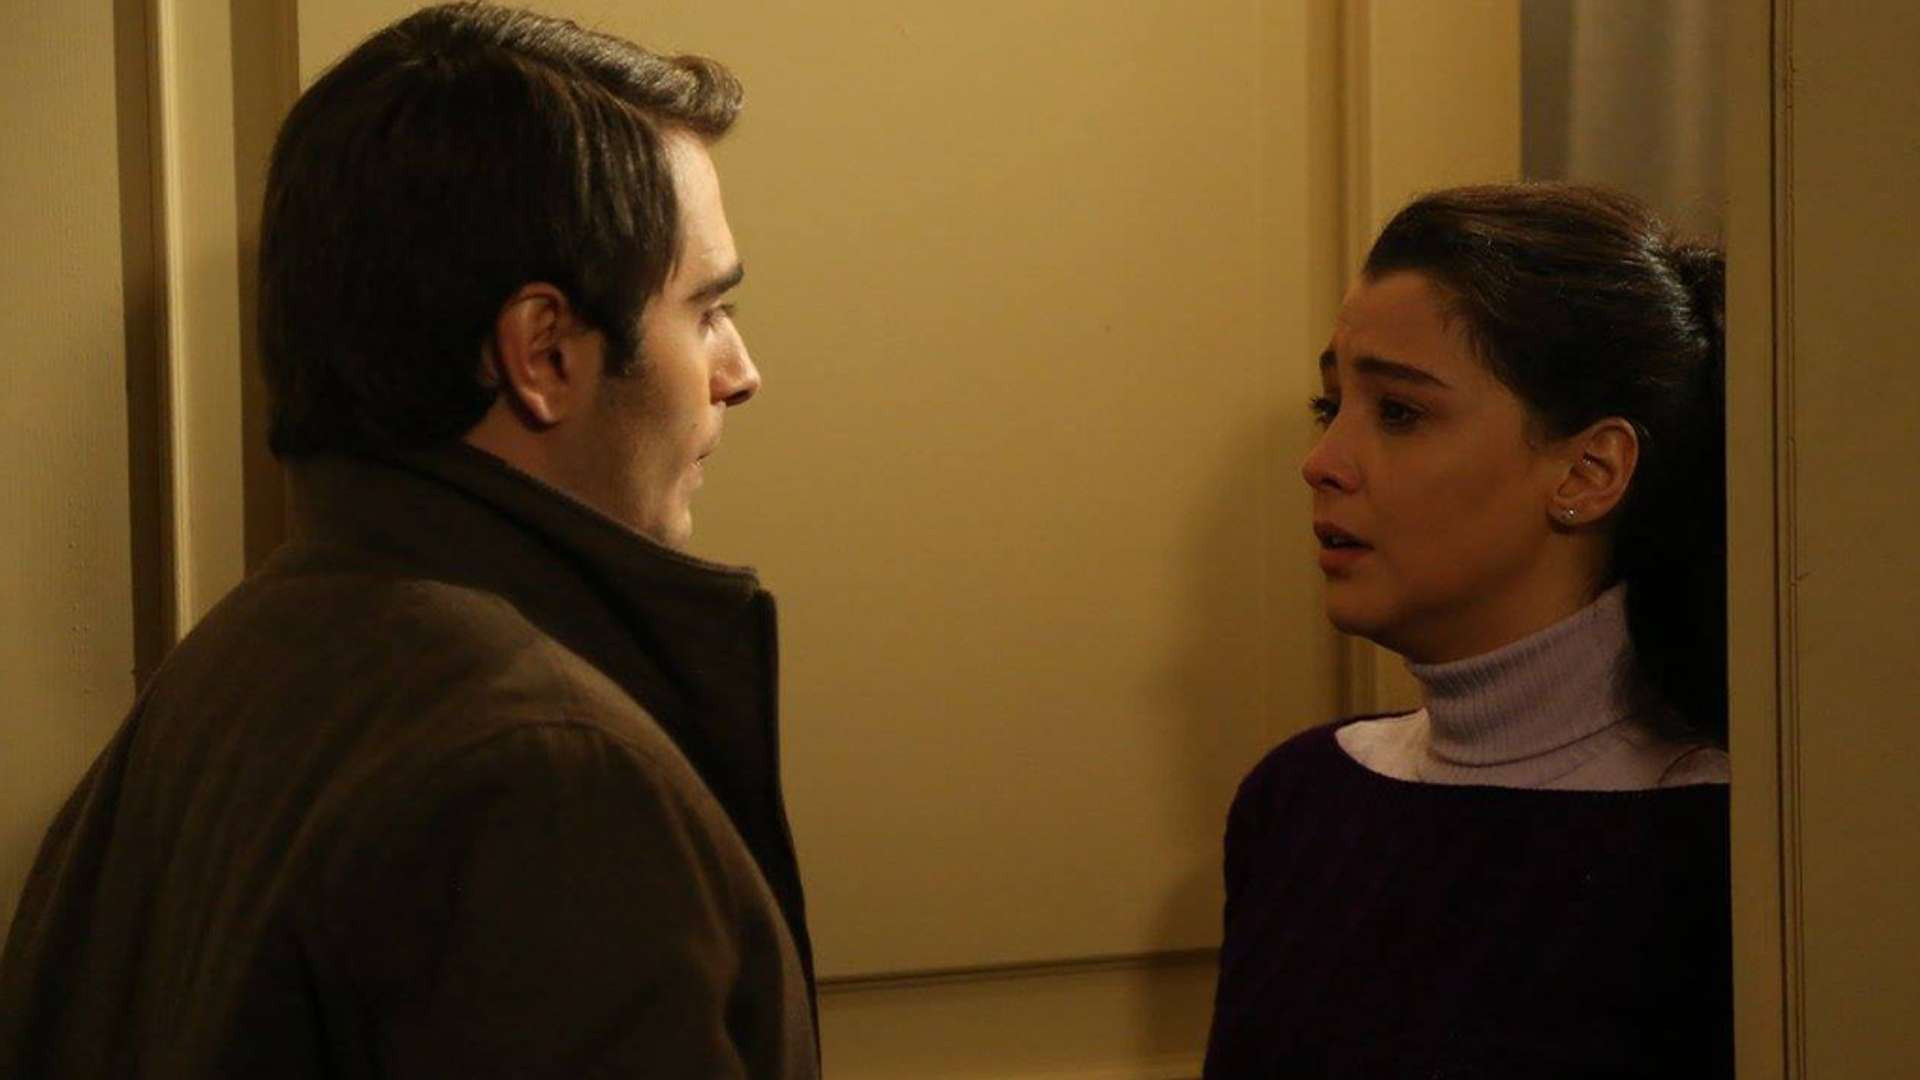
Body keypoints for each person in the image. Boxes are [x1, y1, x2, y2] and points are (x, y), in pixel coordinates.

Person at [0, 4, 817, 1076]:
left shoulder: (226, 675)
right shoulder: (544, 778)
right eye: (705, 312)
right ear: (543, 353)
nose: (739, 372)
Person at [1204, 183, 1732, 1077]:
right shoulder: (1298, 799)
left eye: (1399, 412)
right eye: (1330, 408)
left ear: (1590, 469)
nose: (1321, 462)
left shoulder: (1729, 848)